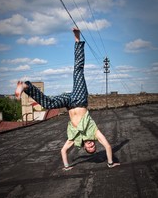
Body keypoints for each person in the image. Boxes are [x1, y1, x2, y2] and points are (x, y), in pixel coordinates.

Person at [15, 28, 120, 171]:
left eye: (89, 147)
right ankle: (77, 40)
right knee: (78, 70)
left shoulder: (75, 138)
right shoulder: (94, 132)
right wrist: (110, 163)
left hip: (69, 103)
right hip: (80, 97)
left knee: (48, 103)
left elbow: (63, 151)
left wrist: (66, 166)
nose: (91, 145)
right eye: (93, 146)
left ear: (84, 146)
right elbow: (108, 146)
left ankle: (26, 86)